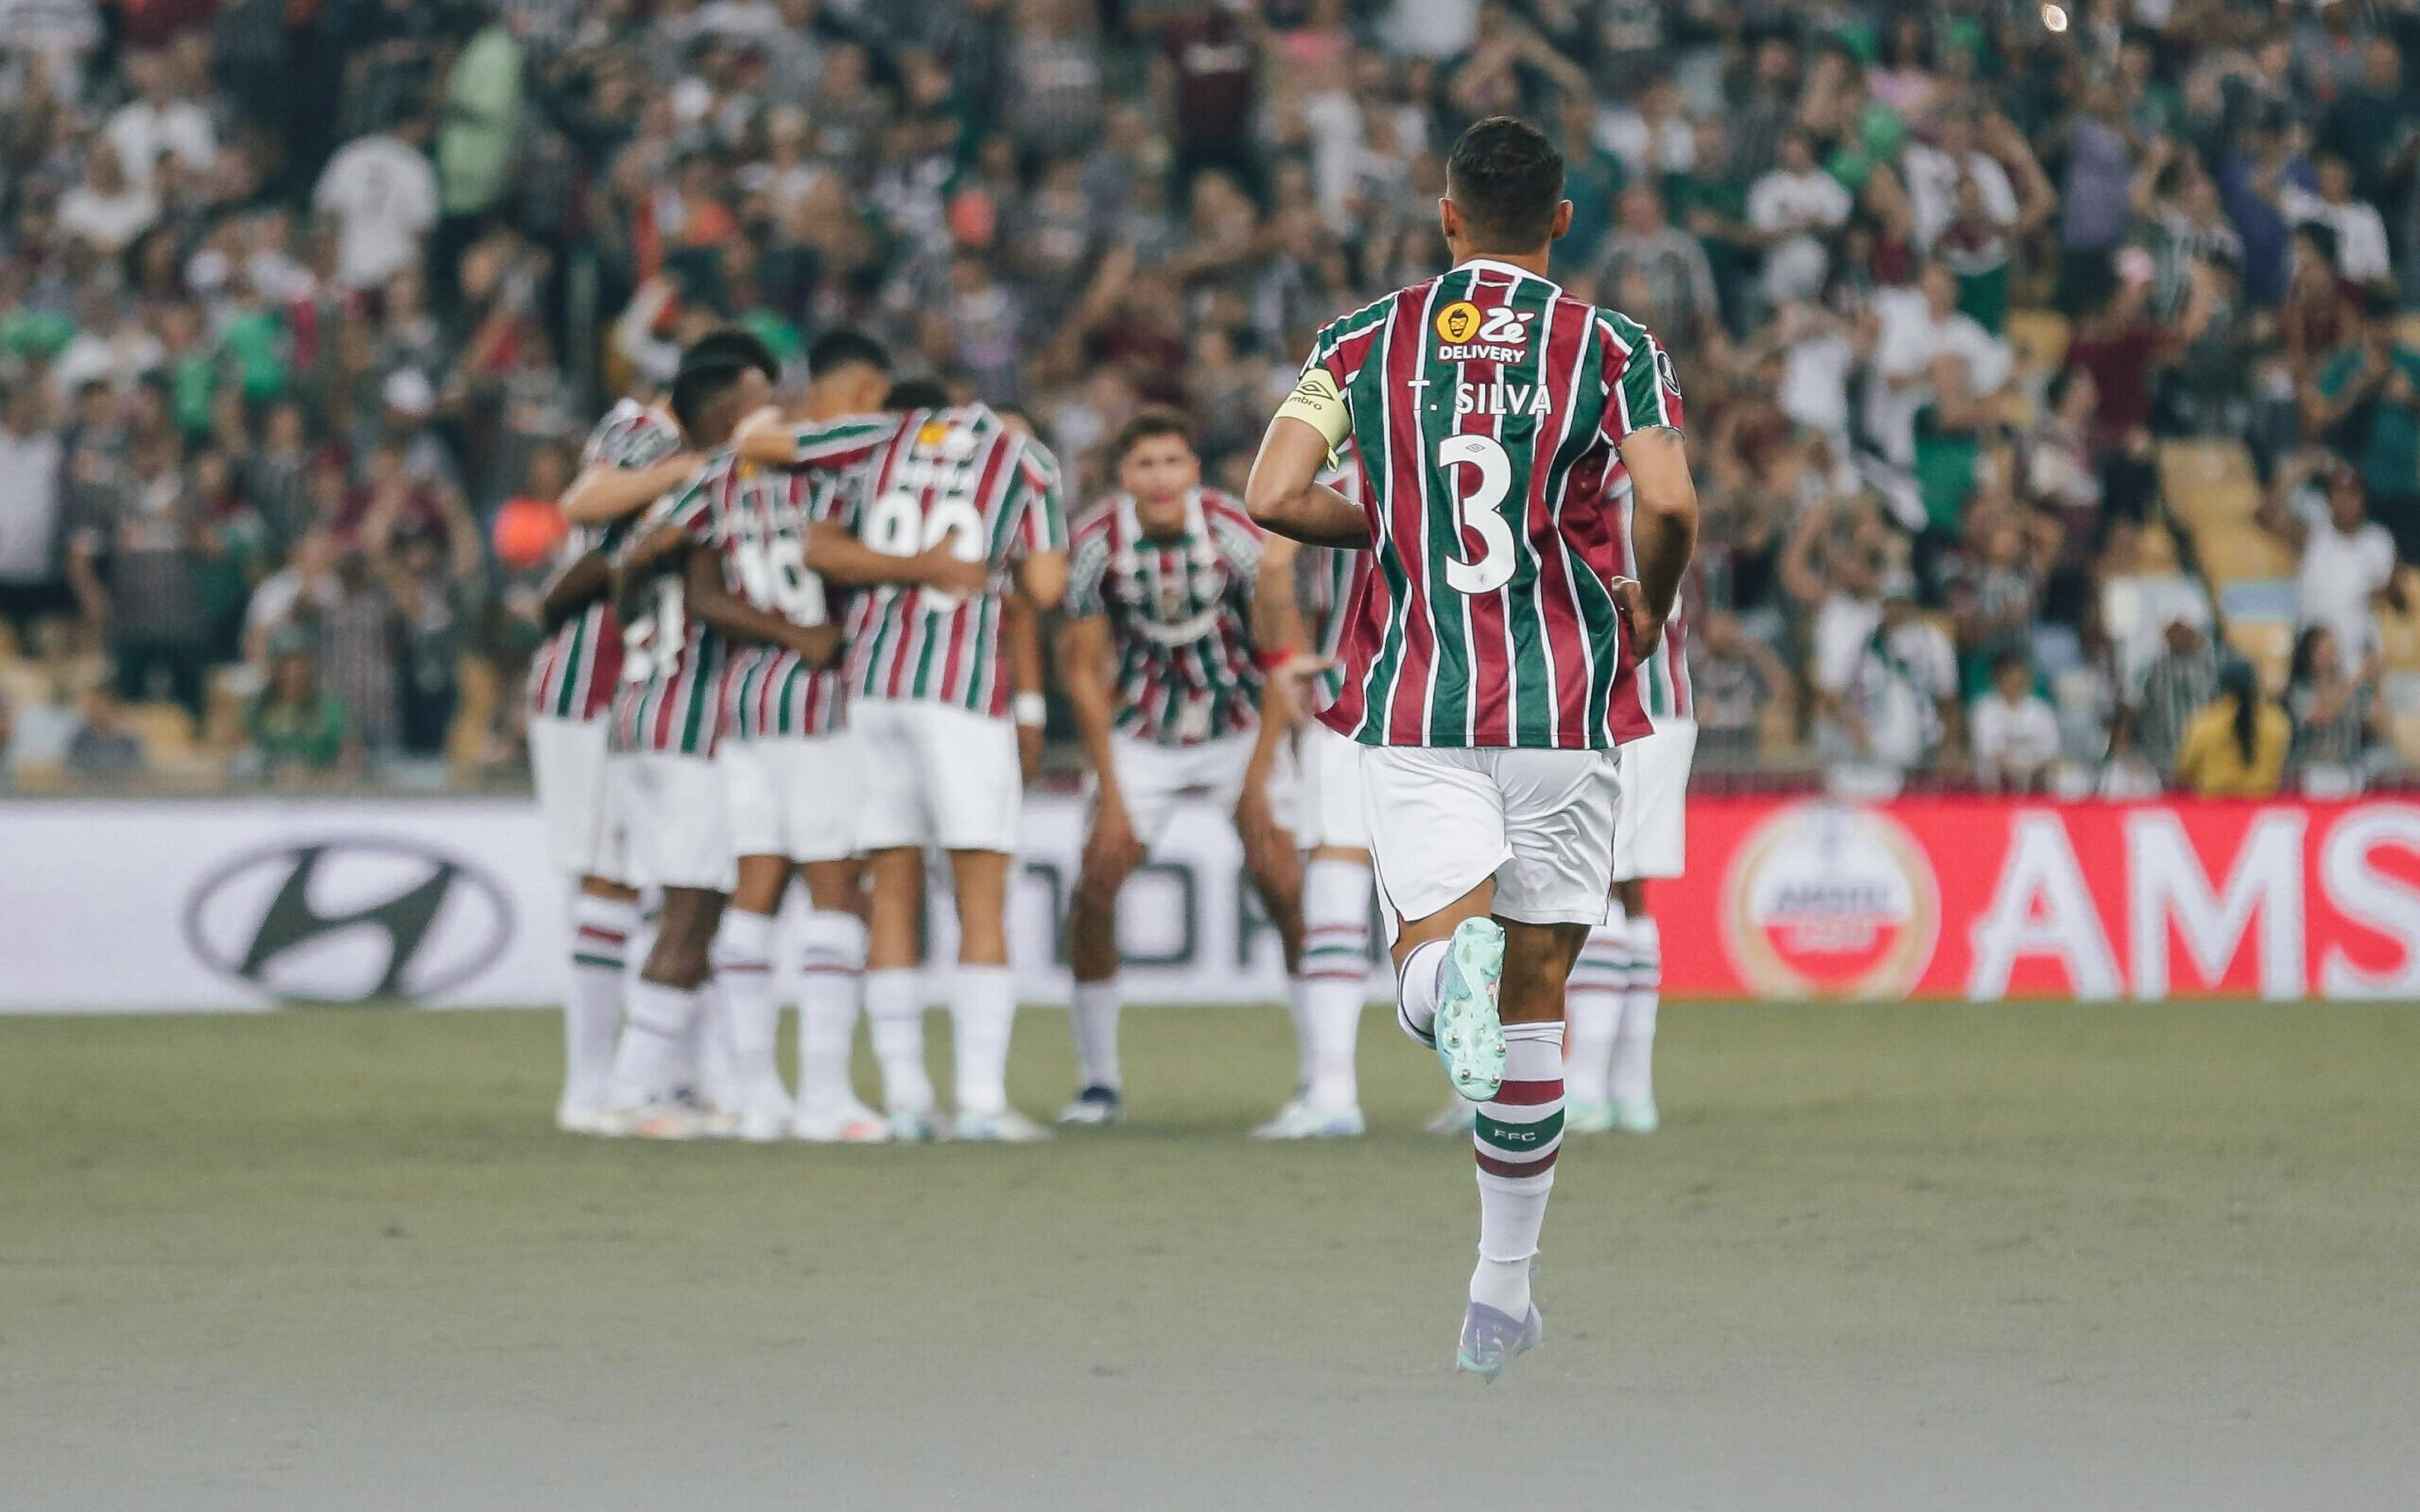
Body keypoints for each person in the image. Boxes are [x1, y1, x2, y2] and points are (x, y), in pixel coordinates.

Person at [1243, 116, 1697, 1380]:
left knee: (1444, 959)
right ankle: (1500, 1293)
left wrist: (1388, 526)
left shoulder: (1360, 343)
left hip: (1423, 704)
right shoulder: (1615, 348)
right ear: (1562, 221)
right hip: (1563, 707)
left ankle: (1443, 983)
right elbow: (1666, 503)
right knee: (1540, 992)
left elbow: (1272, 497)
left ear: (1447, 219)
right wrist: (1647, 602)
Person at [734, 380, 1071, 1142]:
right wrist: (979, 565)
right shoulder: (1023, 457)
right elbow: (1047, 586)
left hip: (875, 688)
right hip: (962, 692)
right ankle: (980, 1101)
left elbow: (759, 444)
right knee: (980, 894)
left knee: (891, 886)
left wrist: (900, 563)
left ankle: (907, 1094)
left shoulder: (877, 440)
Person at [710, 331, 970, 1144]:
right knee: (836, 891)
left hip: (741, 698)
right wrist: (924, 567)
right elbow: (832, 558)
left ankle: (754, 1097)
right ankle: (823, 1097)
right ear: (863, 396)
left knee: (754, 888)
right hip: (819, 697)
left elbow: (677, 554)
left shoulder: (733, 466)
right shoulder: (841, 466)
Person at [1054, 407, 1305, 1130]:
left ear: (1193, 469)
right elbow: (1084, 669)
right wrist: (1112, 792)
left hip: (1239, 724)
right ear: (1123, 476)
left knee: (1282, 882)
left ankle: (1322, 1080)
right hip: (1143, 732)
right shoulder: (1095, 546)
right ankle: (1098, 1081)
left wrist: (1259, 777)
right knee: (1097, 880)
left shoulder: (1238, 534)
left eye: (1172, 462)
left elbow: (1280, 650)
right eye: (1144, 465)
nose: (1159, 478)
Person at [526, 389, 698, 1135]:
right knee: (607, 878)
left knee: (655, 881)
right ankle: (591, 1088)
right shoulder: (644, 429)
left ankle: (658, 1077)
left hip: (646, 686)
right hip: (588, 683)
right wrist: (691, 465)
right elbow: (584, 500)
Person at [1248, 445, 1378, 1140]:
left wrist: (1287, 660)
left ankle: (1333, 1091)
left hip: (1351, 696)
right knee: (1466, 903)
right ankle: (1486, 1095)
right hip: (1465, 700)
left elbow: (1272, 567)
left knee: (1336, 884)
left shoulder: (1337, 471)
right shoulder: (1487, 444)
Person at [2175, 660, 2290, 798]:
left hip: (2213, 810)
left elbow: (2185, 771)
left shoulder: (2204, 723)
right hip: (2260, 808)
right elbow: (2282, 769)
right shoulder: (2277, 722)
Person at [1970, 650, 2062, 793]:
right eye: (2009, 675)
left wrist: (2030, 771)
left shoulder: (2041, 711)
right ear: (1998, 677)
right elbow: (1989, 752)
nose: (2015, 680)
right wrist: (2017, 771)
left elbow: (2051, 753)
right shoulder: (1984, 710)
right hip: (1997, 785)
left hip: (2036, 780)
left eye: (2019, 674)